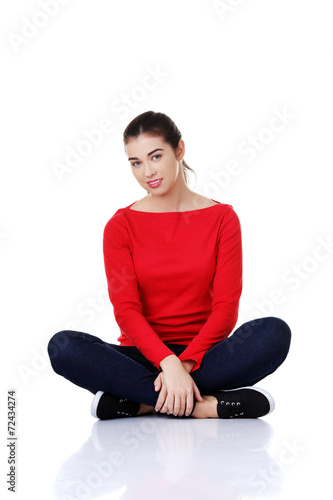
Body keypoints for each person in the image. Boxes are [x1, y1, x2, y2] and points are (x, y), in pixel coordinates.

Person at [48, 111, 291, 420]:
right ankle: (204, 405)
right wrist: (166, 362)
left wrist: (184, 365)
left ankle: (142, 402)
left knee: (273, 333)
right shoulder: (120, 226)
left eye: (156, 156)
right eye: (136, 162)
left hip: (206, 355)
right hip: (143, 357)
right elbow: (126, 311)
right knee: (64, 347)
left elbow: (226, 307)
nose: (147, 171)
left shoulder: (222, 219)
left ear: (179, 150)